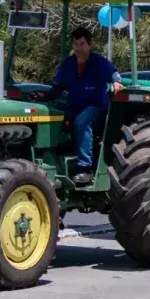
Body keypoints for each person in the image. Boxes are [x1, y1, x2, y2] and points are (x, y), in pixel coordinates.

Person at [32, 27, 122, 183]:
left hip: (96, 106)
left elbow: (114, 74)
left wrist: (116, 83)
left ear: (89, 44)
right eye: (75, 44)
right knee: (52, 115)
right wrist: (44, 96)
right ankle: (53, 157)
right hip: (74, 104)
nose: (78, 48)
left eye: (82, 44)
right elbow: (57, 89)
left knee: (81, 122)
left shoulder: (99, 62)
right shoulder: (68, 64)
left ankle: (84, 167)